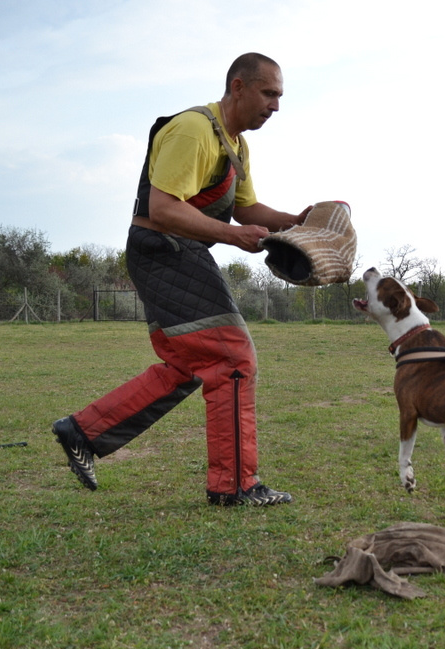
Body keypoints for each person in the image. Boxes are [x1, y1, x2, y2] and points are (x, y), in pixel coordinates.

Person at [53, 52, 310, 506]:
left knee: (191, 364)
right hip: (163, 249)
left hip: (176, 251)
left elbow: (246, 209)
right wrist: (232, 237)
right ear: (238, 87)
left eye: (279, 96)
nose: (275, 106)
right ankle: (234, 486)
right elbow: (164, 208)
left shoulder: (236, 145)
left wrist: (297, 221)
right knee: (233, 358)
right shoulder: (193, 130)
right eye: (269, 93)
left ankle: (83, 432)